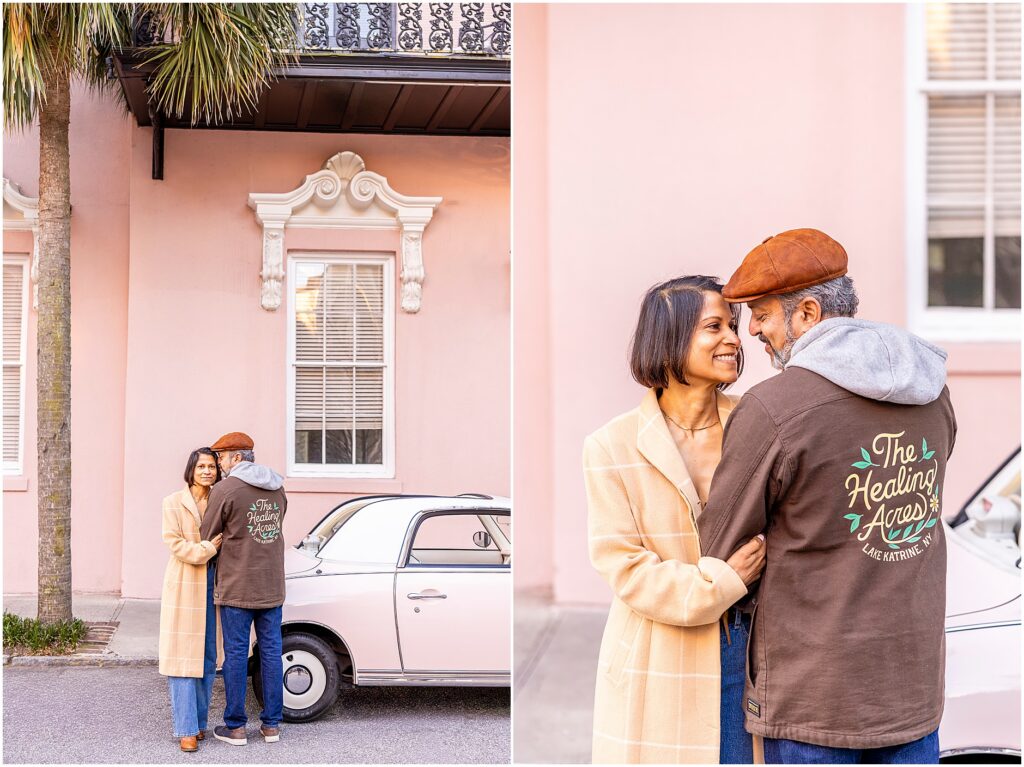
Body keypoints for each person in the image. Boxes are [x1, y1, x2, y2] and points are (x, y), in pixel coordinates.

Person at [698, 228, 956, 764]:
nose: (754, 333)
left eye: (763, 315)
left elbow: (720, 546)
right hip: (912, 691)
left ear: (808, 313)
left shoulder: (774, 407)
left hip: (811, 700)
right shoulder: (933, 391)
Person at [583, 275, 768, 764]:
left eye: (732, 324)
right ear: (669, 339)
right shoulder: (610, 446)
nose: (733, 338)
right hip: (657, 658)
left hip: (750, 651)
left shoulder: (757, 424)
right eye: (714, 326)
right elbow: (625, 567)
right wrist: (724, 581)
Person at [200, 431, 288, 746]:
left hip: (238, 584)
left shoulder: (225, 489)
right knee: (271, 652)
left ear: (237, 457)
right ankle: (271, 725)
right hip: (272, 584)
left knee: (235, 653)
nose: (219, 464)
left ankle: (235, 727)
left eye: (222, 458)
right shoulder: (277, 487)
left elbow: (207, 533)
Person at [158, 447, 224, 752]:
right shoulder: (172, 502)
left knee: (208, 657)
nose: (207, 471)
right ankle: (185, 729)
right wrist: (209, 548)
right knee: (183, 658)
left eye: (212, 466)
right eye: (202, 467)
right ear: (191, 470)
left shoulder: (219, 501)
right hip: (185, 583)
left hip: (213, 584)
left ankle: (198, 724)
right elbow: (176, 544)